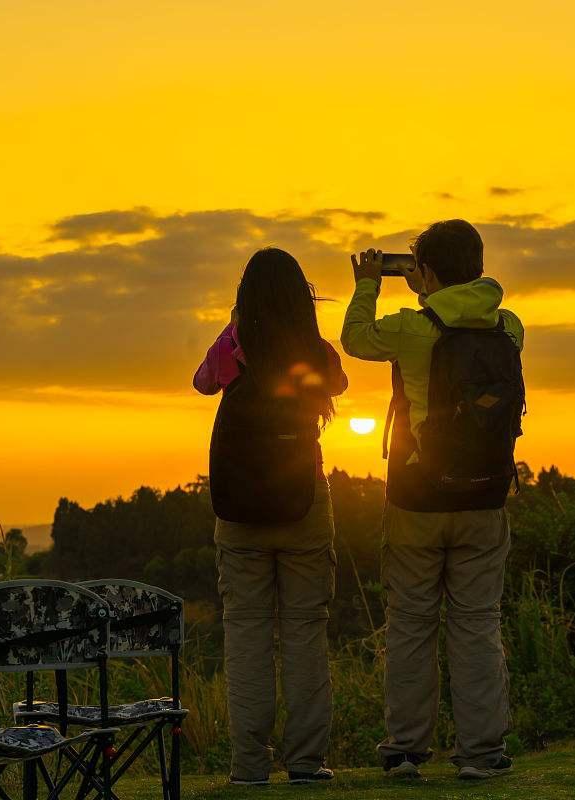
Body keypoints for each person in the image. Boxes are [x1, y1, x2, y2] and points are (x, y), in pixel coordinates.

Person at [341, 220, 524, 781]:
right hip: (485, 496)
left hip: (418, 495)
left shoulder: (412, 329)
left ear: (428, 271)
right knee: (476, 623)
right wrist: (429, 285)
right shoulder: (509, 326)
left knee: (412, 624)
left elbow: (355, 339)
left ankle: (405, 750)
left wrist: (370, 281)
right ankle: (482, 753)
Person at [194, 247, 348, 786]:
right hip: (303, 499)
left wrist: (234, 328)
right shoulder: (312, 349)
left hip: (238, 513)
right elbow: (339, 386)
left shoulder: (235, 348)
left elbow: (202, 382)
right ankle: (305, 763)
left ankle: (249, 767)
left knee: (246, 635)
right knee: (306, 631)